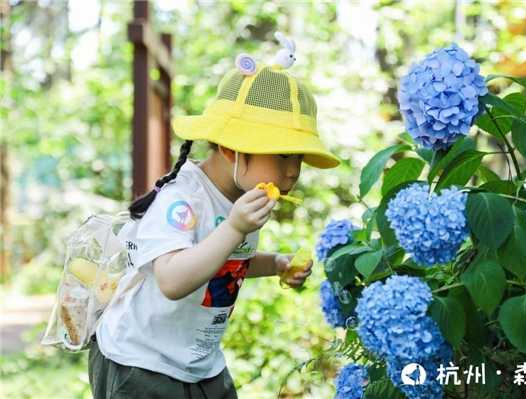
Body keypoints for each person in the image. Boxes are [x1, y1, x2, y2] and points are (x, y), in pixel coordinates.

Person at [88, 33, 340, 399]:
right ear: (230, 147)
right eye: (283, 155)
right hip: (141, 362)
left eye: (298, 158)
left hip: (199, 363)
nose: (292, 172)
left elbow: (228, 260)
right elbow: (172, 280)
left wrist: (276, 264)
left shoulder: (241, 195)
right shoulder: (182, 201)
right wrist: (236, 227)